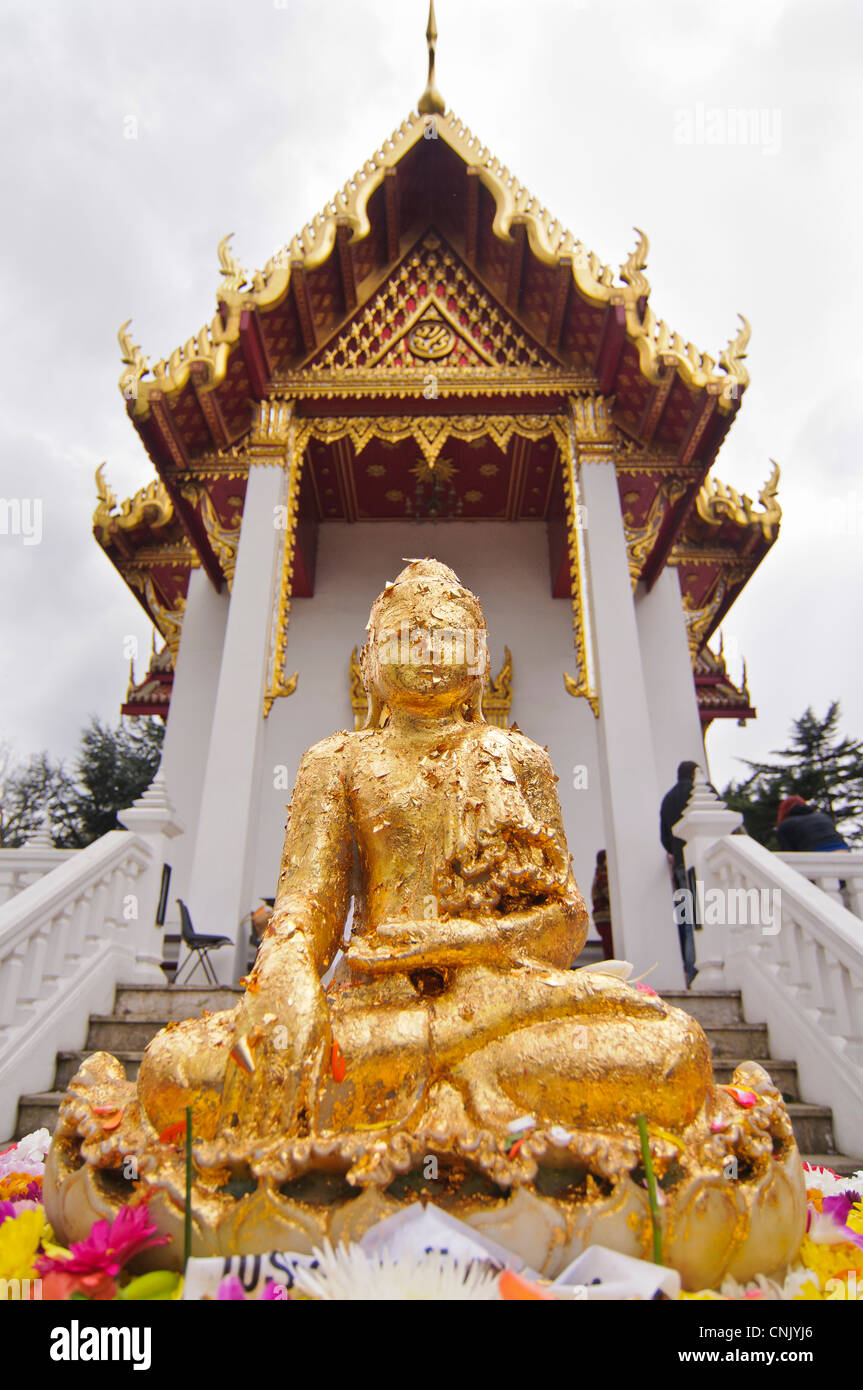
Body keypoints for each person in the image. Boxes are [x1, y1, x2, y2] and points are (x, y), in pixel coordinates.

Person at [660, 760, 700, 988]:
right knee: (704, 917)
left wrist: (674, 850)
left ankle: (690, 968)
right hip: (702, 863)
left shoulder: (668, 799)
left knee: (687, 917)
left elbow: (665, 836)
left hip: (681, 863)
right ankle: (697, 967)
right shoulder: (700, 791)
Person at [776, 796, 849, 852]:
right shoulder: (822, 816)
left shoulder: (785, 825)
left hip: (815, 852)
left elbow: (788, 852)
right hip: (842, 849)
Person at [590, 849, 614, 960]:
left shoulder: (599, 875)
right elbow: (611, 896)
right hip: (605, 918)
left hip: (601, 918)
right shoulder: (603, 877)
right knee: (610, 949)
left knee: (609, 947)